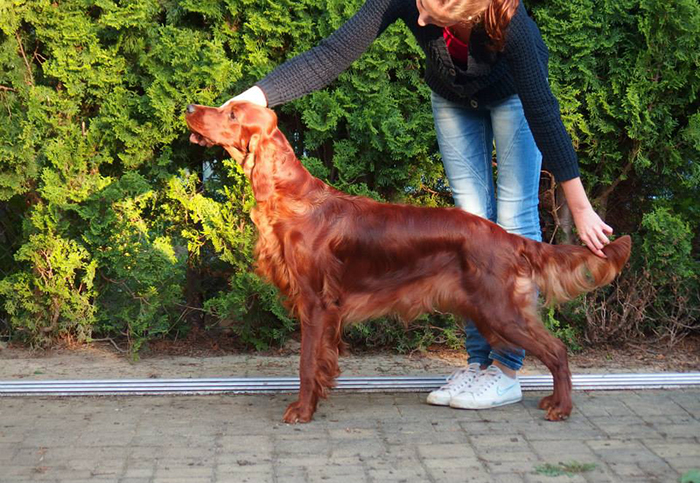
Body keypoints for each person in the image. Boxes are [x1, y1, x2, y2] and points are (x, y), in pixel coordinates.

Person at [191, 0, 613, 410]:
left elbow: (543, 112)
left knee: (511, 219)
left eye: (430, 12)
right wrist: (249, 100)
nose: (419, 15)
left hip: (513, 96)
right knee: (468, 221)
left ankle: (504, 372)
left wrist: (579, 207)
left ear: (465, 11)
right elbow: (330, 55)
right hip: (452, 96)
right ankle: (478, 364)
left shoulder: (513, 24)